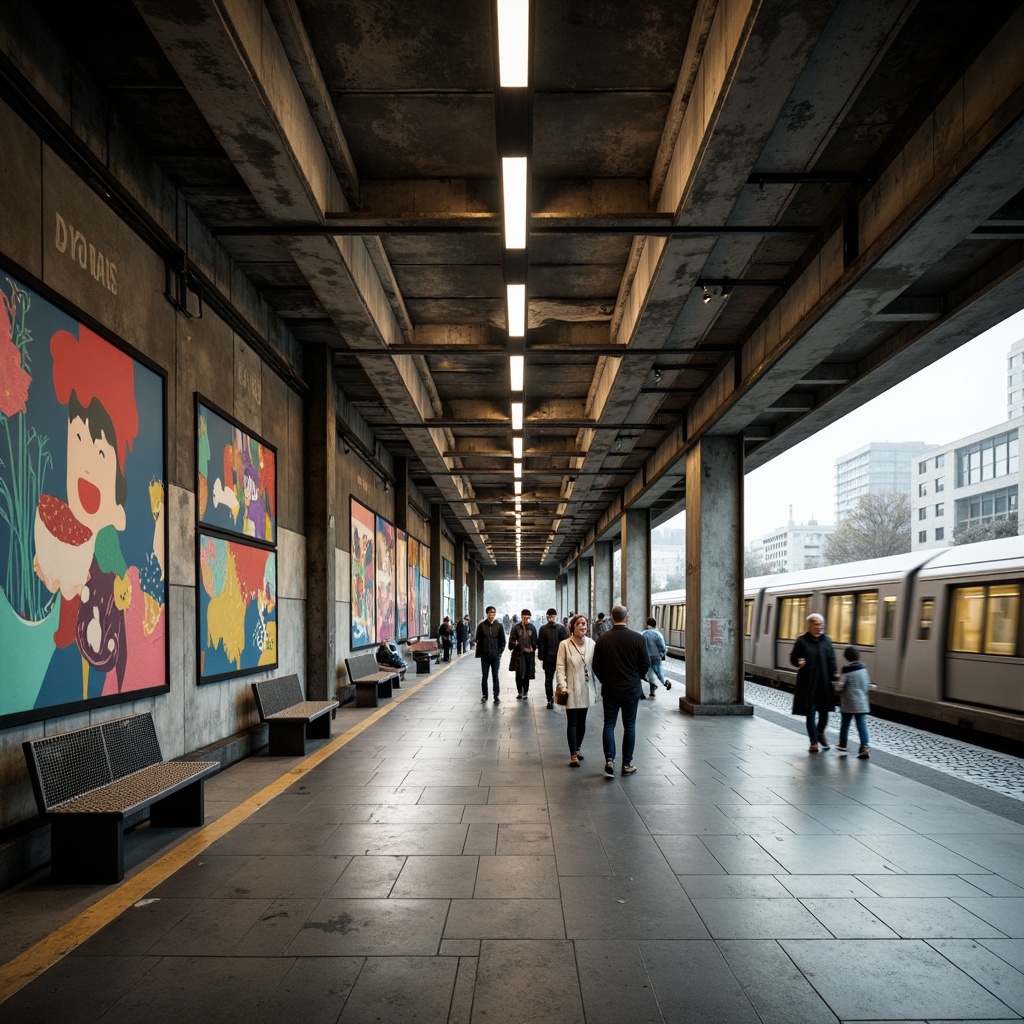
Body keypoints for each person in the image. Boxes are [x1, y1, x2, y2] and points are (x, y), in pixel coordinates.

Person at [592, 604, 649, 777]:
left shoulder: (603, 638)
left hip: (610, 688)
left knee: (609, 724)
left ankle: (610, 760)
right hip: (631, 689)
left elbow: (596, 665)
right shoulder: (637, 638)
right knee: (629, 725)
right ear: (627, 618)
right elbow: (645, 663)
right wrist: (635, 676)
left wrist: (605, 680)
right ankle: (627, 764)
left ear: (611, 617)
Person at [555, 613, 600, 766]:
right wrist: (563, 686)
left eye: (585, 623)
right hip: (571, 688)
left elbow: (597, 665)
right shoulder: (564, 645)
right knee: (572, 721)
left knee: (582, 721)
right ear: (572, 627)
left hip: (587, 687)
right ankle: (573, 754)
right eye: (579, 624)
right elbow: (560, 667)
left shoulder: (591, 643)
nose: (583, 626)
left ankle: (578, 749)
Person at [789, 612, 838, 753]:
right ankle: (813, 742)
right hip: (808, 684)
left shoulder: (827, 640)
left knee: (824, 712)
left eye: (821, 625)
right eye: (816, 624)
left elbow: (832, 659)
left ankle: (820, 731)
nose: (819, 627)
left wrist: (834, 675)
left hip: (824, 684)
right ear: (809, 625)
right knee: (810, 713)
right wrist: (798, 661)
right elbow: (793, 657)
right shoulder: (801, 641)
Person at [836, 645, 872, 758]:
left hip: (848, 703)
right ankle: (864, 746)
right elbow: (867, 685)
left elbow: (839, 687)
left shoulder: (846, 671)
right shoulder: (864, 670)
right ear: (858, 656)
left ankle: (843, 744)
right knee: (861, 724)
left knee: (845, 724)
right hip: (862, 703)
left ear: (846, 658)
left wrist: (839, 691)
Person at [537, 607, 569, 709]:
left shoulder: (543, 629)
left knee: (549, 679)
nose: (551, 618)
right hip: (556, 658)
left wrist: (542, 657)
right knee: (553, 679)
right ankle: (552, 698)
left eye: (552, 616)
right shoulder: (560, 628)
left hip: (550, 658)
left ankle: (551, 699)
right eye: (550, 616)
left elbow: (540, 644)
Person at [475, 606, 506, 703]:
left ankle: (496, 696)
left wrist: (499, 652)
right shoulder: (481, 626)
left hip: (495, 656)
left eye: (493, 613)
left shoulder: (499, 626)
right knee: (484, 676)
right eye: (489, 613)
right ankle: (485, 695)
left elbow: (503, 641)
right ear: (487, 614)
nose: (491, 615)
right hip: (485, 656)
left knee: (495, 676)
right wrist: (480, 651)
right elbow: (478, 639)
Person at [508, 608, 538, 699]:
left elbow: (535, 641)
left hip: (528, 655)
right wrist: (515, 644)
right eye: (525, 617)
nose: (526, 619)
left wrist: (533, 648)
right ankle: (519, 691)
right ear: (521, 617)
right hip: (518, 654)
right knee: (519, 673)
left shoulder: (532, 628)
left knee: (527, 674)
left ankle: (525, 691)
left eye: (528, 617)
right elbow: (511, 641)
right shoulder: (516, 628)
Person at [641, 617, 669, 697]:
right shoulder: (658, 634)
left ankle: (652, 688)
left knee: (649, 674)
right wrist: (662, 654)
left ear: (647, 624)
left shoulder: (643, 634)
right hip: (656, 656)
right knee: (659, 672)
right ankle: (664, 682)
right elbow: (662, 647)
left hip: (646, 657)